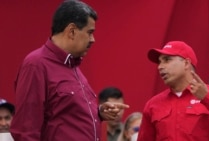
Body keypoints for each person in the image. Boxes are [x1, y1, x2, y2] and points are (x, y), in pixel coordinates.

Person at [10, 1, 129, 141]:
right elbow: (25, 131)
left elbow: (64, 114)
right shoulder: (36, 65)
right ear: (71, 31)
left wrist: (98, 113)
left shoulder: (74, 67)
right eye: (89, 32)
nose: (93, 40)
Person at [137, 41, 209, 141]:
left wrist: (208, 99)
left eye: (167, 60)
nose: (160, 67)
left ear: (186, 63)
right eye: (159, 62)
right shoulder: (153, 104)